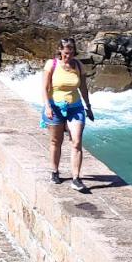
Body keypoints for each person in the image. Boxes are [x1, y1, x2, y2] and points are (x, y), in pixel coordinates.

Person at [43, 38, 95, 192]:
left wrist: (88, 107)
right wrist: (47, 107)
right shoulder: (51, 65)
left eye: (71, 52)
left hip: (75, 108)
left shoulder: (78, 65)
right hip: (55, 107)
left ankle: (76, 178)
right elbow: (45, 88)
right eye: (66, 53)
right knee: (55, 141)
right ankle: (54, 171)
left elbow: (83, 88)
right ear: (60, 51)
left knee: (77, 141)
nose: (69, 56)